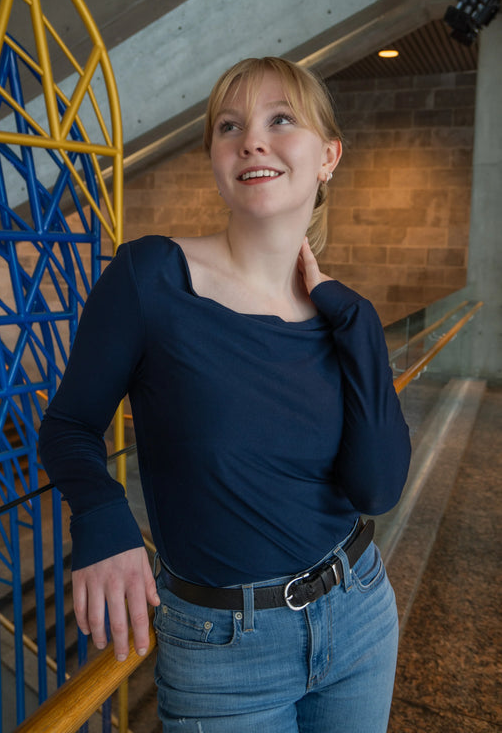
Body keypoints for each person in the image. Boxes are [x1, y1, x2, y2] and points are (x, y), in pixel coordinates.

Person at [39, 56, 411, 732]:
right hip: (224, 653)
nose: (252, 141)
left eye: (280, 120)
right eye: (229, 127)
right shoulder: (151, 276)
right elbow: (68, 424)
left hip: (357, 610)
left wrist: (357, 324)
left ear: (328, 157)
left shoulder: (343, 318)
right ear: (214, 159)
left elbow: (376, 489)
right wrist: (100, 514)